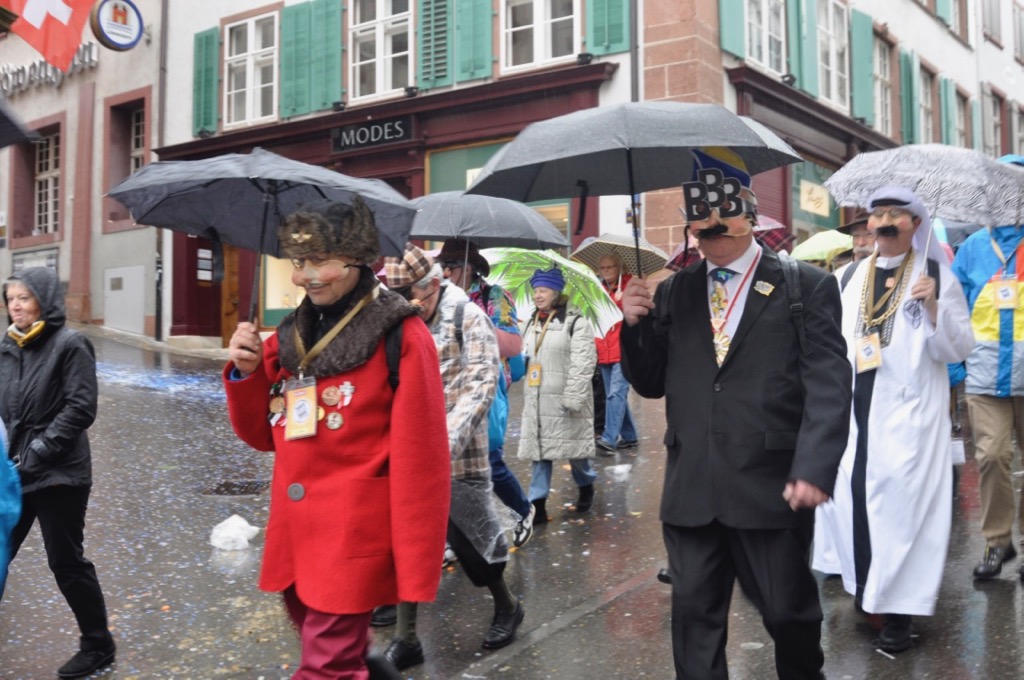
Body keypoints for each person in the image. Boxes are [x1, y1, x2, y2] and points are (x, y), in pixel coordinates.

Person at [619, 148, 851, 680]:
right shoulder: (675, 291)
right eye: (698, 215)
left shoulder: (804, 286)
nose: (711, 225)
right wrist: (634, 325)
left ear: (749, 212)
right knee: (695, 623)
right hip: (692, 487)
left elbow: (829, 385)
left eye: (722, 211)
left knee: (789, 615)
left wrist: (815, 468)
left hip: (770, 486)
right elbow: (650, 383)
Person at [224, 199, 451, 679]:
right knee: (336, 651)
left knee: (325, 667)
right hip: (296, 537)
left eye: (320, 261)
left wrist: (413, 563)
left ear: (358, 260)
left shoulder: (403, 335)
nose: (306, 276)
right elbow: (263, 435)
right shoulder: (289, 334)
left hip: (354, 540)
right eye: (298, 262)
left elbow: (422, 463)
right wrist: (247, 373)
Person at [813, 187, 973, 653]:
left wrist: (933, 307)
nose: (883, 223)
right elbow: (826, 341)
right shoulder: (848, 276)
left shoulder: (935, 274)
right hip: (853, 409)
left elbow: (958, 348)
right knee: (853, 503)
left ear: (915, 224)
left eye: (895, 215)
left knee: (899, 511)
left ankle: (899, 613)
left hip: (908, 413)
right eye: (877, 214)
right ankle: (870, 593)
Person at [380, 244, 524, 671]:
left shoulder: (468, 315)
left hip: (456, 455)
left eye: (412, 294)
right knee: (408, 542)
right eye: (398, 296)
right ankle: (407, 636)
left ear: (434, 283)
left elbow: (482, 381)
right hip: (408, 454)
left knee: (473, 542)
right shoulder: (399, 320)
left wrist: (441, 443)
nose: (408, 304)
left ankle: (507, 605)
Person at [0, 266, 116, 679]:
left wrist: (39, 451)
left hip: (59, 474)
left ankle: (98, 644)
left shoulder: (70, 344)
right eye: (10, 298)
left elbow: (80, 408)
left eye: (24, 297)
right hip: (14, 472)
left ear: (44, 300)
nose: (15, 305)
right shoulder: (7, 347)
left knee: (66, 562)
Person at [438, 239, 535, 548]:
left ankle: (523, 509)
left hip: (486, 386)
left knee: (488, 460)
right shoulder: (440, 297)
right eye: (441, 266)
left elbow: (513, 345)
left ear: (467, 267)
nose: (444, 273)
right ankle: (454, 538)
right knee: (447, 463)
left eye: (450, 267)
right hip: (448, 388)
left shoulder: (494, 296)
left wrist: (472, 321)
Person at [952, 208, 1024, 580]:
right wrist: (955, 365)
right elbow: (953, 306)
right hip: (984, 374)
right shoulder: (973, 247)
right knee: (992, 456)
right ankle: (997, 541)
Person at [518, 267, 598, 523]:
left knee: (576, 452)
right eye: (535, 291)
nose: (537, 295)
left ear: (556, 292)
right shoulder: (531, 322)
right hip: (538, 398)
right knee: (540, 452)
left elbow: (583, 362)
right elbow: (524, 355)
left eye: (543, 290)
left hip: (565, 399)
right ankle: (537, 504)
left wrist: (573, 397)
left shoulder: (576, 323)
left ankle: (586, 485)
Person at [590, 253, 640, 455]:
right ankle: (629, 435)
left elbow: (637, 315)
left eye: (610, 267)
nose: (606, 271)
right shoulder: (600, 289)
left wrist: (622, 302)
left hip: (624, 350)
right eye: (602, 268)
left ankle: (609, 438)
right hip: (604, 349)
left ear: (620, 268)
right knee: (615, 394)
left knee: (615, 394)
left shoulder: (630, 286)